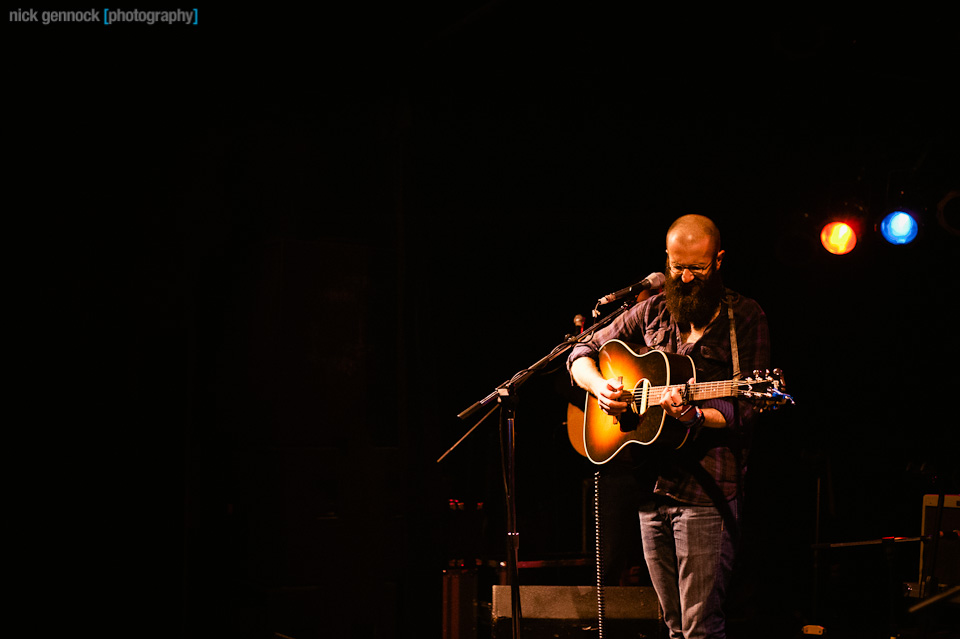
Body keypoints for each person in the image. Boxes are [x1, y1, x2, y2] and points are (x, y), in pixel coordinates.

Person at [567, 214, 770, 639]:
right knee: (672, 624)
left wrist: (694, 416)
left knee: (700, 627)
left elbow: (745, 410)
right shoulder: (654, 309)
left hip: (707, 492)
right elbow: (581, 350)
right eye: (677, 266)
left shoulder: (744, 318)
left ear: (719, 260)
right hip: (650, 486)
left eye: (697, 267)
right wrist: (602, 386)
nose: (685, 276)